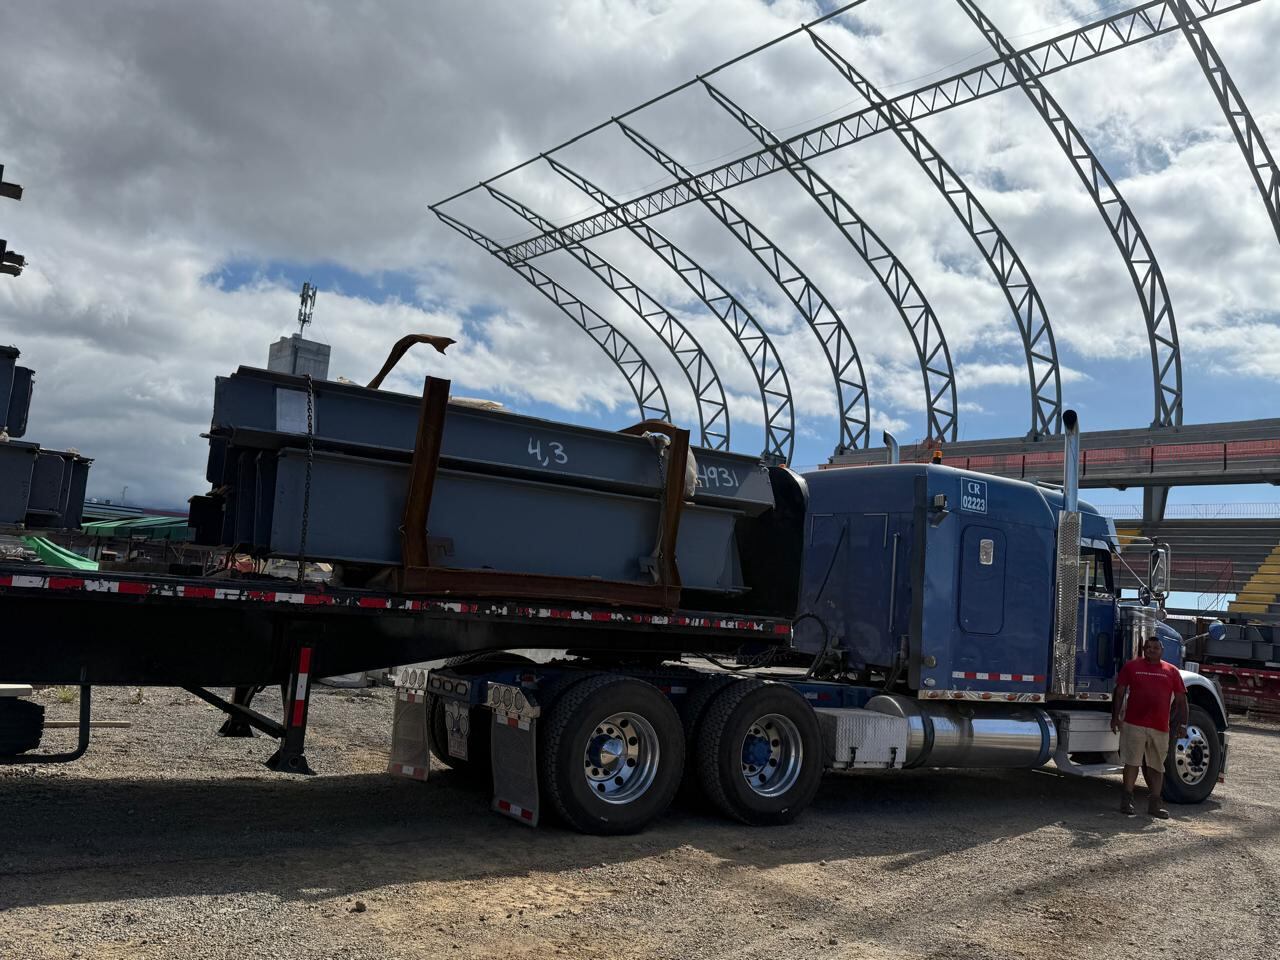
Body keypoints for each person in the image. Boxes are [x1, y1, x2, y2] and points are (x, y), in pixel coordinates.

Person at [1110, 635, 1188, 818]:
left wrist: (1183, 724)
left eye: (1156, 647)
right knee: (1132, 763)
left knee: (1157, 766)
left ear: (1162, 650)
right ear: (1144, 650)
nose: (1152, 650)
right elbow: (1119, 692)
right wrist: (1115, 717)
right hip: (1133, 724)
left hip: (1160, 727)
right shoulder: (1131, 667)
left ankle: (1155, 804)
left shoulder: (1171, 671)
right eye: (1148, 647)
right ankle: (1126, 801)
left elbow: (1181, 700)